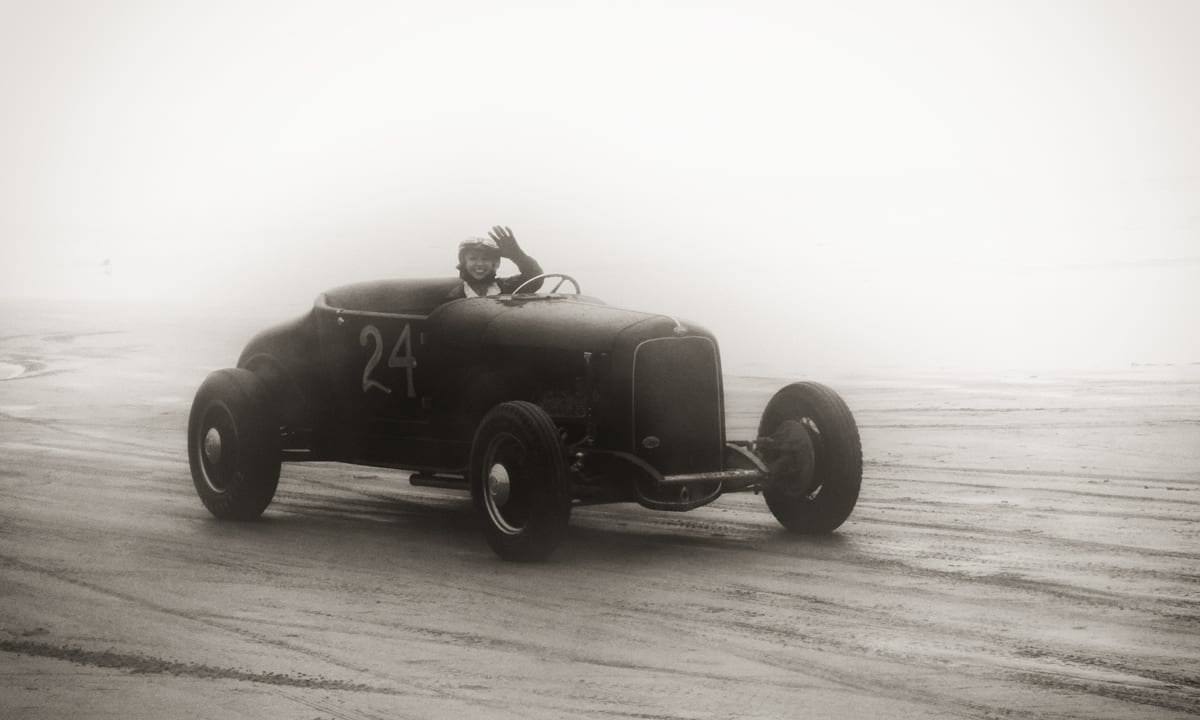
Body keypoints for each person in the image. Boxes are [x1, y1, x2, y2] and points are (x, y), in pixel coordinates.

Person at [448, 226, 543, 299]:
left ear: (495, 263)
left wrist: (516, 255)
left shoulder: (507, 287)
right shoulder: (455, 296)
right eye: (473, 258)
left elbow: (536, 279)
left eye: (485, 259)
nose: (480, 264)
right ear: (464, 262)